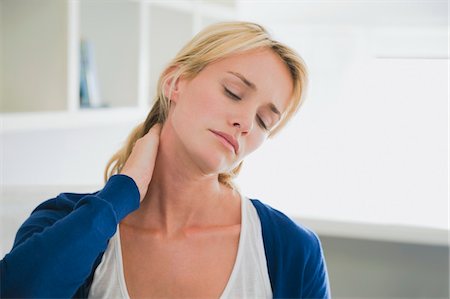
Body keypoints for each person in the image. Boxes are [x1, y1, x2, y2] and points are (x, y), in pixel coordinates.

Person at [0, 21, 331, 298]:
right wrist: (120, 195)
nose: (245, 123)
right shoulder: (64, 223)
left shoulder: (294, 251)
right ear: (175, 82)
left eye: (263, 121)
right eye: (233, 92)